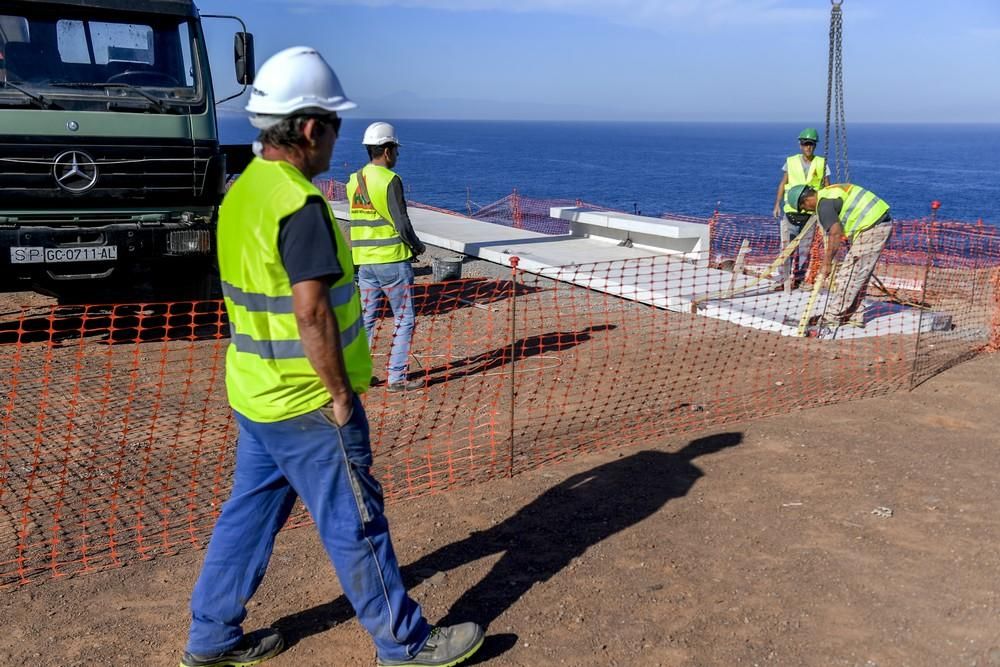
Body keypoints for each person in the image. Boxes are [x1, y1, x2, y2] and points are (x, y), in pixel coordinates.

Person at [178, 46, 483, 667]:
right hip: (309, 403)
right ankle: (404, 644)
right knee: (356, 522)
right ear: (312, 127)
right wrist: (342, 396)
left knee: (248, 517)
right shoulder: (301, 204)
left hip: (256, 393)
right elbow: (311, 310)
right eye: (335, 126)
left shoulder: (241, 195)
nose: (335, 140)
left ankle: (211, 638)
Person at [347, 122, 426, 393]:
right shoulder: (390, 180)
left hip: (365, 263)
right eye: (396, 150)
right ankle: (396, 377)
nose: (397, 156)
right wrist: (417, 247)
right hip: (392, 261)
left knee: (367, 318)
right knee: (404, 319)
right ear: (388, 150)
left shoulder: (353, 181)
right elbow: (401, 222)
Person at [786, 182, 892, 328]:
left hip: (871, 229)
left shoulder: (823, 205)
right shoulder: (829, 192)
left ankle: (832, 317)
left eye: (804, 208)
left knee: (847, 276)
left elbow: (835, 233)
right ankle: (854, 316)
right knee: (859, 276)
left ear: (806, 200)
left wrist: (827, 263)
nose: (807, 211)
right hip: (877, 225)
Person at [772, 128, 831, 286]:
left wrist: (827, 209)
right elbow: (783, 183)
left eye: (811, 144)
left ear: (815, 145)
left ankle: (798, 279)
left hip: (811, 214)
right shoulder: (791, 162)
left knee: (805, 249)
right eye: (805, 144)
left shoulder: (821, 163)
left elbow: (827, 187)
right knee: (786, 247)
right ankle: (783, 279)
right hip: (791, 211)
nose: (808, 147)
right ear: (800, 145)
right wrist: (777, 204)